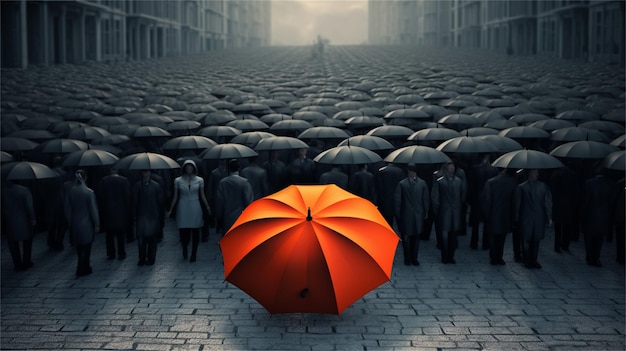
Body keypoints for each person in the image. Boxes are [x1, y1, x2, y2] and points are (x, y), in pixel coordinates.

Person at [167, 160, 212, 263]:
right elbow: (175, 197)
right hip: (183, 206)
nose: (189, 169)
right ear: (184, 168)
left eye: (191, 167)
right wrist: (171, 209)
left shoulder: (200, 180)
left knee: (195, 231)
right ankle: (185, 248)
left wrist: (207, 206)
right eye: (187, 167)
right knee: (183, 231)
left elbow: (202, 194)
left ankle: (194, 254)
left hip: (195, 206)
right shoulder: (178, 180)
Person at [514, 169, 552, 269]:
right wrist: (549, 217)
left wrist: (516, 218)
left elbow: (517, 204)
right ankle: (532, 260)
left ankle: (528, 260)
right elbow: (547, 203)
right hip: (538, 217)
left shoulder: (521, 187)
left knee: (528, 240)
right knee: (534, 240)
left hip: (526, 217)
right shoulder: (543, 186)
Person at [64, 170, 100, 277]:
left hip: (75, 222)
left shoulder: (71, 191)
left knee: (79, 246)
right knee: (86, 246)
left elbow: (67, 208)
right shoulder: (89, 192)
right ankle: (83, 267)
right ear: (85, 178)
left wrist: (70, 221)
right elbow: (93, 210)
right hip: (87, 223)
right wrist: (97, 223)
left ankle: (83, 266)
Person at [394, 164, 429, 266]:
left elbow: (425, 199)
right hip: (407, 214)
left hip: (416, 214)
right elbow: (398, 200)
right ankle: (408, 258)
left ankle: (414, 257)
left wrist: (425, 211)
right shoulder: (402, 184)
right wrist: (398, 213)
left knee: (415, 237)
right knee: (407, 237)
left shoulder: (421, 184)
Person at [581, 168, 617, 267]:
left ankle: (589, 257)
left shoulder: (588, 183)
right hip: (603, 216)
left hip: (590, 215)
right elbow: (611, 202)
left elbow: (585, 201)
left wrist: (582, 214)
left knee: (588, 238)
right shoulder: (609, 184)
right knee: (599, 239)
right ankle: (596, 258)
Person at [482, 168, 518, 265]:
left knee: (493, 237)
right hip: (506, 214)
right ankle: (500, 257)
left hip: (493, 214)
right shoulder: (512, 182)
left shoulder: (490, 182)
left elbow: (487, 201)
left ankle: (493, 257)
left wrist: (486, 215)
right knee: (502, 238)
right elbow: (515, 201)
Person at [431, 162, 465, 264]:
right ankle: (444, 256)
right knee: (445, 236)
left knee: (453, 236)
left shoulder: (458, 181)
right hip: (444, 211)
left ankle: (451, 256)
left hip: (454, 211)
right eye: (450, 167)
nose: (452, 168)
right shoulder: (440, 182)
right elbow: (435, 197)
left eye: (453, 166)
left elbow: (461, 195)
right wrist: (437, 210)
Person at [1, 179, 36, 272]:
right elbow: (29, 206)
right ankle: (26, 261)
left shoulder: (3, 191)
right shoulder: (25, 190)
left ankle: (17, 263)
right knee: (27, 240)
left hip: (9, 220)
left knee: (13, 242)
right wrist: (32, 218)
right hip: (23, 219)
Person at [98, 167, 131, 260]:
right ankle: (121, 253)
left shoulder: (103, 181)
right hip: (121, 211)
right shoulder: (124, 181)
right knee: (121, 234)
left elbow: (101, 197)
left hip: (108, 212)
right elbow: (127, 196)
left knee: (109, 235)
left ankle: (111, 253)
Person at [133, 169, 164, 266]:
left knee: (152, 239)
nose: (145, 174)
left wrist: (160, 216)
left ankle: (151, 258)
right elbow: (135, 202)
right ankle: (142, 258)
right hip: (141, 215)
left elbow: (160, 202)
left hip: (152, 215)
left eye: (147, 172)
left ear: (150, 173)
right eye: (144, 172)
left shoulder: (155, 186)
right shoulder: (138, 186)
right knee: (141, 239)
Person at [216, 159, 254, 236]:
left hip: (227, 217)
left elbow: (220, 202)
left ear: (229, 169)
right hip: (241, 217)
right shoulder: (244, 182)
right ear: (239, 168)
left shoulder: (223, 183)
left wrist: (219, 216)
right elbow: (248, 201)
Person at [468, 154, 498, 250]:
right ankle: (486, 243)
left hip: (477, 198)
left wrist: (469, 199)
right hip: (488, 198)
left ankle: (474, 243)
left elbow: (471, 185)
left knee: (475, 224)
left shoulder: (474, 169)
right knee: (487, 222)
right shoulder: (494, 170)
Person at [549, 165, 579, 252]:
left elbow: (552, 189)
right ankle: (565, 245)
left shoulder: (556, 174)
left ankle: (557, 246)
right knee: (567, 226)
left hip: (558, 204)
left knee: (558, 227)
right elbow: (576, 191)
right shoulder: (573, 175)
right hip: (569, 204)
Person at [376, 162, 405, 228]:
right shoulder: (400, 171)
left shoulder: (382, 171)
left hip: (386, 200)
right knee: (400, 222)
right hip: (398, 200)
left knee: (388, 222)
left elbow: (379, 188)